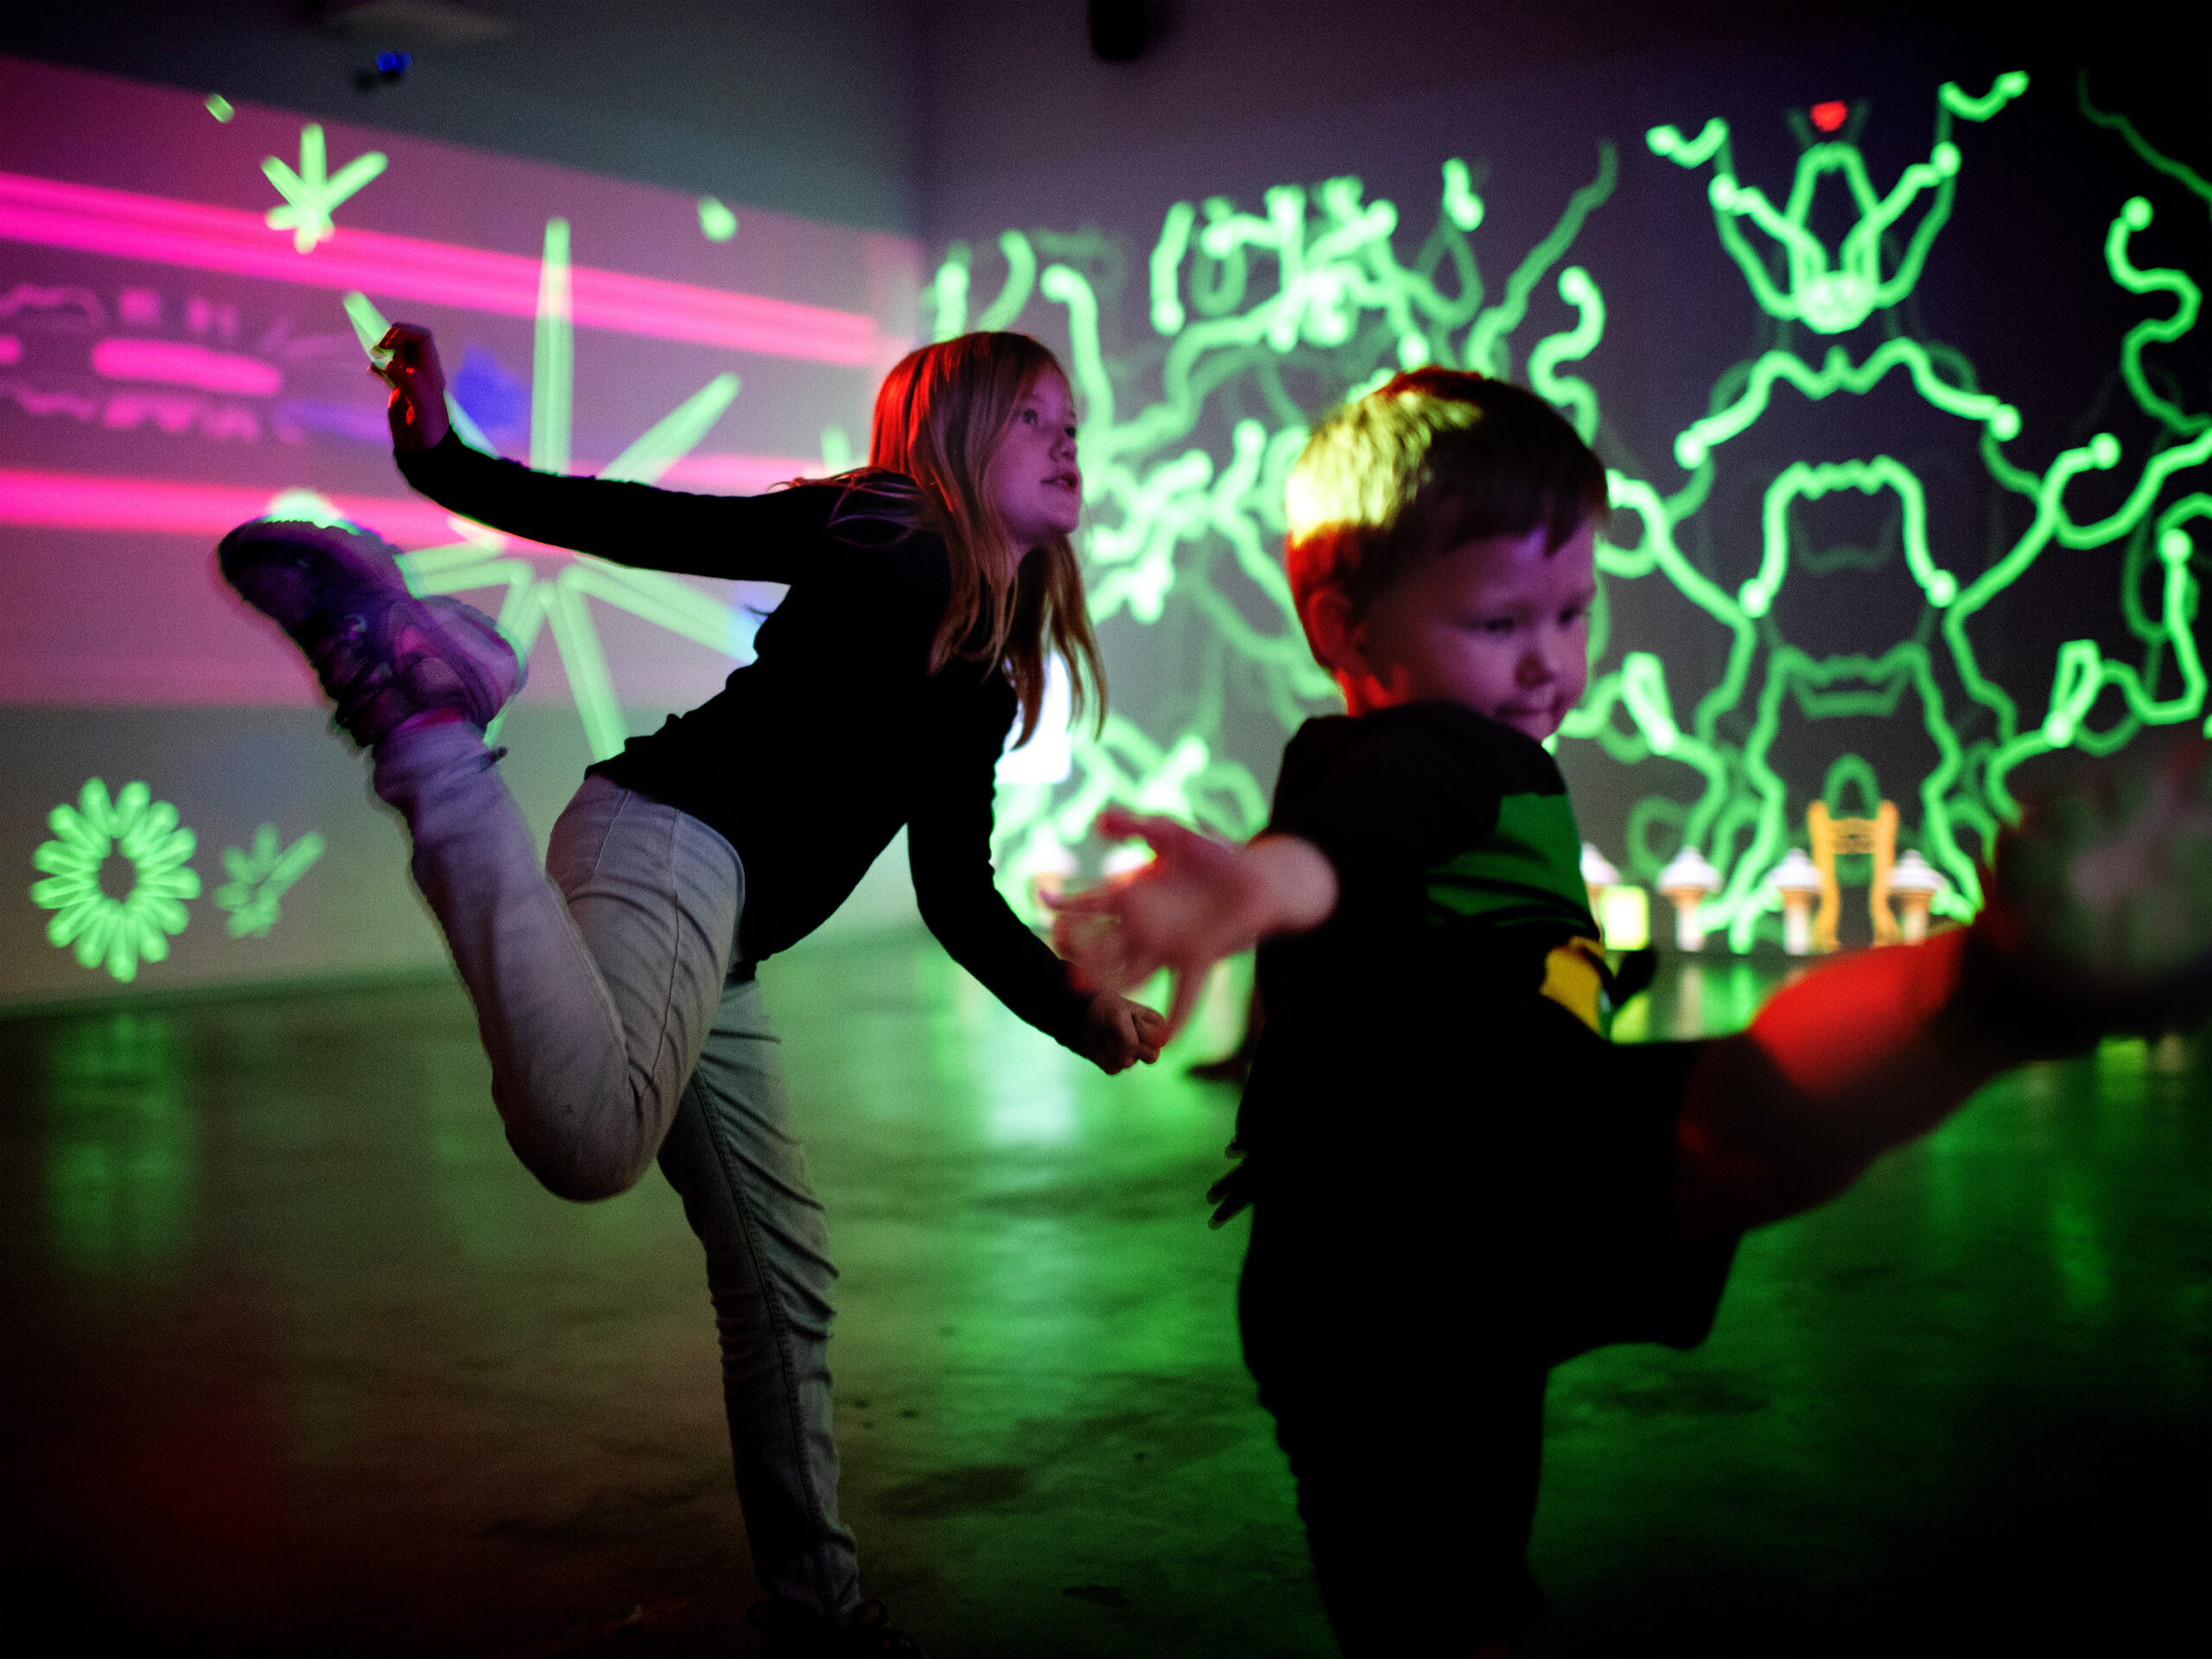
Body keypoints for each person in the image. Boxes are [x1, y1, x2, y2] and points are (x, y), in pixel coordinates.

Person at [1049, 368, 2212, 1657]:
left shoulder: (1464, 760)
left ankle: (2002, 989)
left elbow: (1414, 911)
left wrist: (1571, 977)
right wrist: (1252, 886)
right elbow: (1347, 844)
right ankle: (2002, 985)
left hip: (1419, 1228)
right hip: (1417, 1219)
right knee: (1732, 1126)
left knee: (1455, 1584)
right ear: (1345, 624)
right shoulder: (1422, 757)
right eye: (1500, 621)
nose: (1552, 658)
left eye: (1574, 610)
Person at [216, 327, 1169, 1659]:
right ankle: (434, 735)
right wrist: (441, 461)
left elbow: (957, 900)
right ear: (951, 440)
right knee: (591, 1138)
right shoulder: (889, 528)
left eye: (1074, 418)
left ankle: (819, 1613)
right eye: (1032, 418)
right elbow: (650, 522)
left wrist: (1084, 1012)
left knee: (782, 1280)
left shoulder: (978, 674)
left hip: (712, 927)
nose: (1068, 440)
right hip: (666, 841)